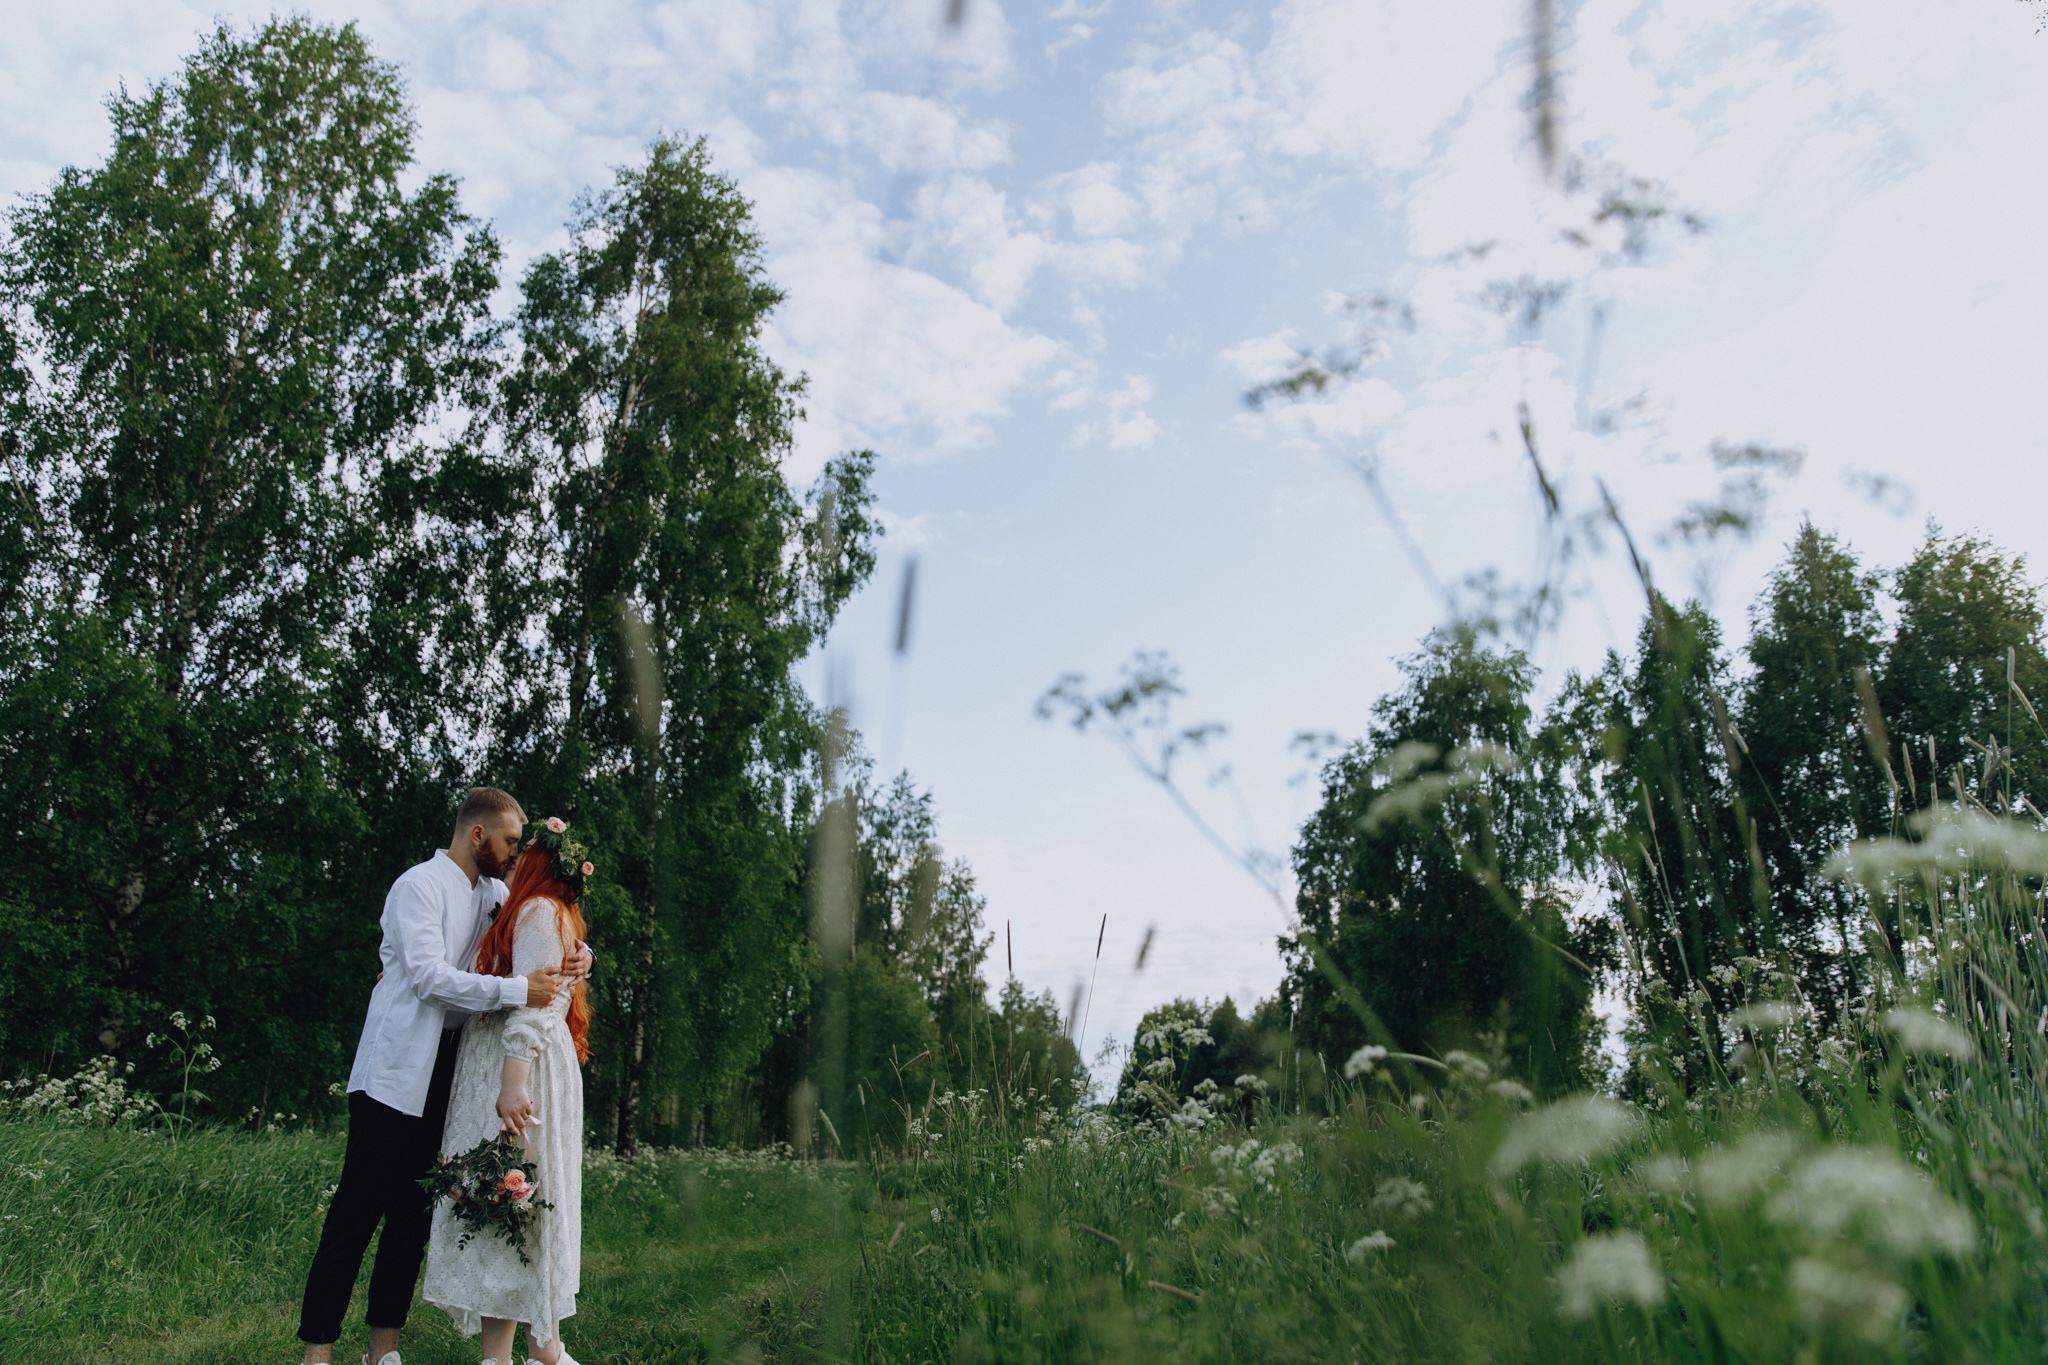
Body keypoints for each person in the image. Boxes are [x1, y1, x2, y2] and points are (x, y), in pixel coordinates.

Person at [298, 788, 594, 1365]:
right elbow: (431, 978)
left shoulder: (492, 892)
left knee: (413, 1219)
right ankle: (318, 1355)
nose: (516, 852)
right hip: (393, 1074)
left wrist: (584, 955)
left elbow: (538, 924)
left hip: (447, 1077)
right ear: (476, 834)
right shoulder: (418, 886)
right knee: (356, 1215)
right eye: (510, 840)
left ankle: (382, 1351)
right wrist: (515, 991)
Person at [424, 817, 592, 1365]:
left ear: (540, 866)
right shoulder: (543, 910)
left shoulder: (540, 911)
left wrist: (511, 1087)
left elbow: (534, 1009)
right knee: (517, 1203)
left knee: (508, 1200)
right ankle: (544, 1348)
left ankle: (503, 1356)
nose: (513, 860)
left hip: (523, 1071)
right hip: (521, 1066)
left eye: (524, 854)